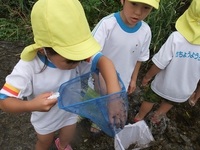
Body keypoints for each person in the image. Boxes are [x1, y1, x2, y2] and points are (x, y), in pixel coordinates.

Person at [0, 0, 126, 150]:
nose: (79, 62)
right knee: (44, 142)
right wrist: (31, 105)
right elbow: (5, 101)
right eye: (71, 60)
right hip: (45, 119)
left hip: (70, 111)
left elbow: (104, 62)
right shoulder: (28, 67)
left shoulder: (78, 57)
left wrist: (114, 98)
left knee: (67, 136)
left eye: (81, 57)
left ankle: (63, 145)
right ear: (43, 49)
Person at [90, 0, 160, 133]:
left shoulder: (145, 31)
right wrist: (97, 77)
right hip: (98, 78)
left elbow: (140, 58)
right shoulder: (108, 24)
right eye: (133, 4)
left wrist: (133, 79)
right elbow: (91, 54)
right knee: (94, 97)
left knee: (109, 104)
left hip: (123, 79)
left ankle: (98, 120)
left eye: (146, 7)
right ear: (123, 1)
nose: (138, 12)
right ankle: (87, 113)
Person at [133, 0, 200, 126]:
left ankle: (139, 117)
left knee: (150, 98)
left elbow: (160, 63)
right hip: (183, 91)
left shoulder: (176, 38)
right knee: (169, 102)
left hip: (163, 84)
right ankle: (156, 118)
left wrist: (147, 77)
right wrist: (196, 95)